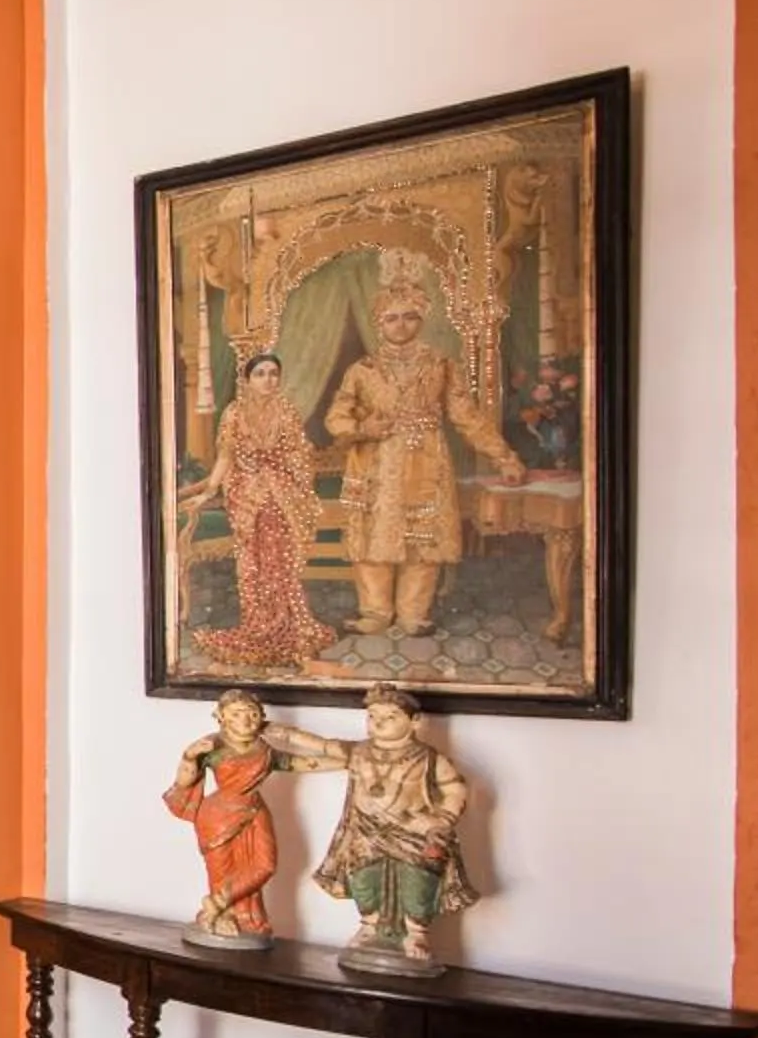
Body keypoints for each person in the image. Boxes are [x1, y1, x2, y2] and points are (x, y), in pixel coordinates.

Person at [322, 251, 525, 638]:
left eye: (409, 316)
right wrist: (364, 426)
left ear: (422, 318)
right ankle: (375, 612)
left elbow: (467, 416)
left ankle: (414, 614)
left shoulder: (441, 364)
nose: (401, 325)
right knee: (371, 541)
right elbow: (336, 418)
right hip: (374, 464)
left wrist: (505, 457)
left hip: (425, 460)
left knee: (423, 540)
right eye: (392, 318)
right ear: (379, 322)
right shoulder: (361, 370)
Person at [267, 685, 478, 975]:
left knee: (418, 879)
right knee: (363, 878)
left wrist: (442, 819)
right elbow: (324, 745)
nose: (378, 722)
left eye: (390, 716)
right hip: (366, 831)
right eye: (372, 715)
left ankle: (416, 932)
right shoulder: (359, 751)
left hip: (411, 830)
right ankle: (369, 925)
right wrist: (287, 735)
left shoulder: (428, 758)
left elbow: (455, 788)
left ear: (414, 721)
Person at [175, 353, 333, 670]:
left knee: (279, 562)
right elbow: (225, 458)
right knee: (252, 564)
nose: (268, 379)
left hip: (280, 496)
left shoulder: (286, 411)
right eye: (260, 373)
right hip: (246, 497)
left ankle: (285, 624)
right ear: (247, 380)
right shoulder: (234, 413)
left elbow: (299, 456)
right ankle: (258, 625)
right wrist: (208, 490)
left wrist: (283, 475)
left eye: (273, 373)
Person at [162, 689, 294, 949]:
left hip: (255, 811)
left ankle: (219, 904)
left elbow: (297, 763)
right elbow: (184, 781)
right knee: (222, 871)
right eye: (236, 714)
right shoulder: (214, 746)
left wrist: (343, 758)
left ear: (262, 717)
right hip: (218, 817)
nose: (245, 721)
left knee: (264, 865)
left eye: (252, 714)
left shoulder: (264, 750)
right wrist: (189, 756)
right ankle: (222, 914)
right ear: (221, 717)